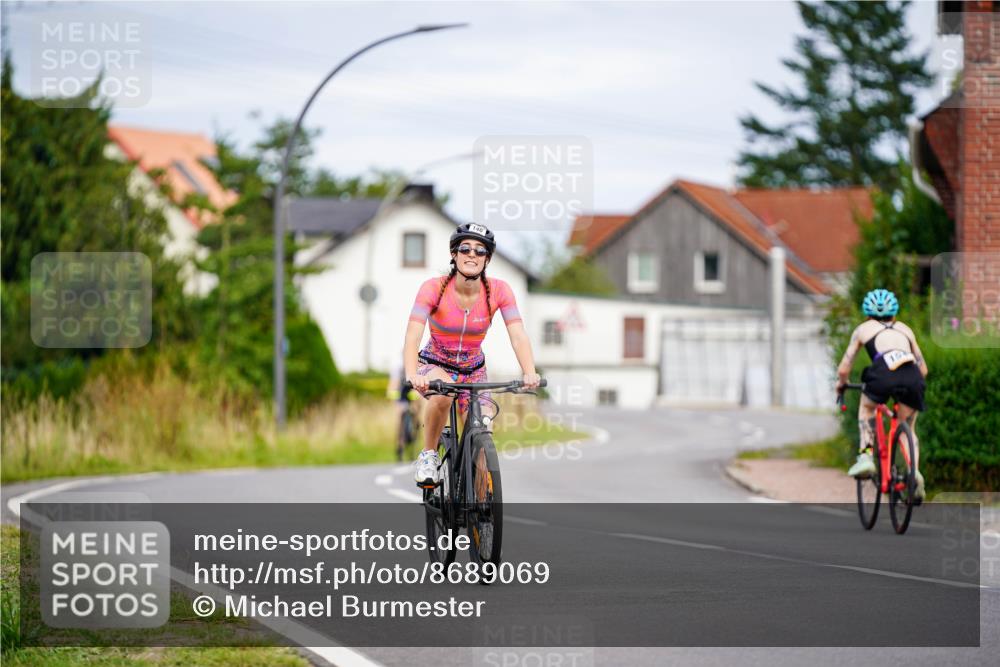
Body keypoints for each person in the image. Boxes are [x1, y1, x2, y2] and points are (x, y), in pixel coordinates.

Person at [403, 223, 540, 488]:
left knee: (482, 429)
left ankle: (480, 513)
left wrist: (529, 371)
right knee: (443, 395)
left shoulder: (499, 291)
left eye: (480, 251)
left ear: (487, 259)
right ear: (454, 254)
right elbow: (412, 334)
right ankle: (429, 455)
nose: (472, 255)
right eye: (465, 248)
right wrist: (411, 373)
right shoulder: (433, 288)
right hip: (435, 363)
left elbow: (518, 335)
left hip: (473, 368)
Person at [836, 288, 928, 499]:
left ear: (868, 314)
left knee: (867, 407)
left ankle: (866, 457)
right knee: (908, 427)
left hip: (882, 373)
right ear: (894, 314)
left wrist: (841, 384)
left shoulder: (863, 329)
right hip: (912, 375)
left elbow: (844, 369)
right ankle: (914, 472)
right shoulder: (906, 330)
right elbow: (923, 369)